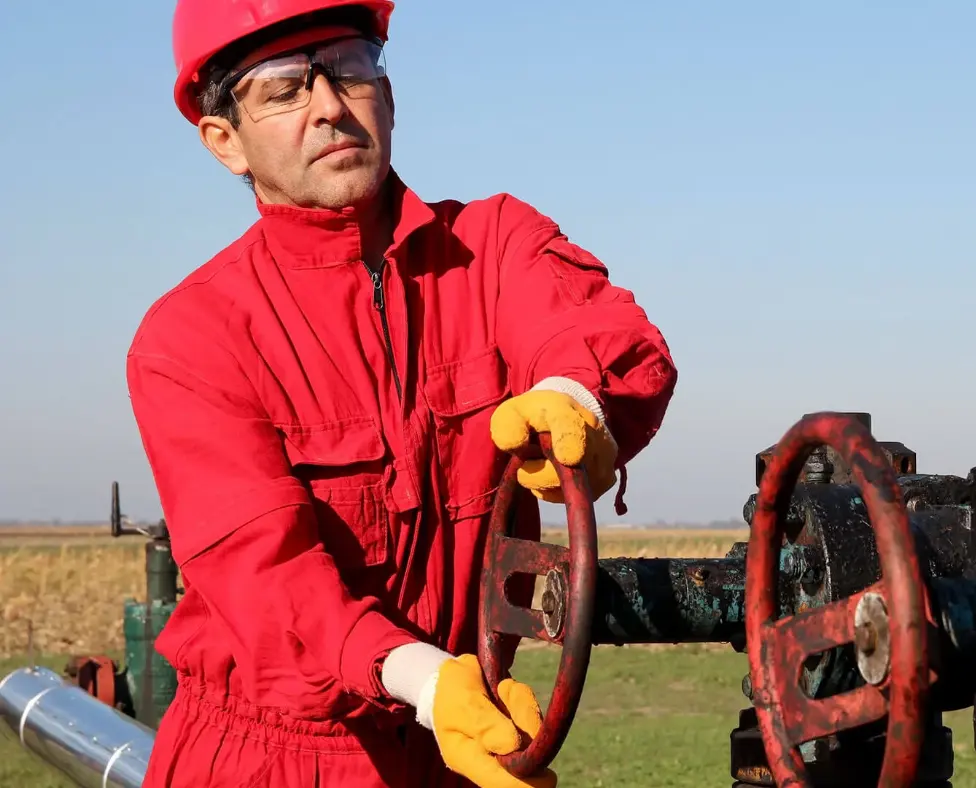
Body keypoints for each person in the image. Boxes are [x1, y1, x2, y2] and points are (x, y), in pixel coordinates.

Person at [126, 1, 678, 786]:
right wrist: (423, 679)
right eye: (283, 88)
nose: (328, 106)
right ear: (224, 142)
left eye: (348, 67)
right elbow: (267, 576)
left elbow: (605, 340)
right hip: (268, 760)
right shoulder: (194, 337)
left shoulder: (491, 247)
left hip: (462, 750)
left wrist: (576, 404)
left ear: (387, 92)